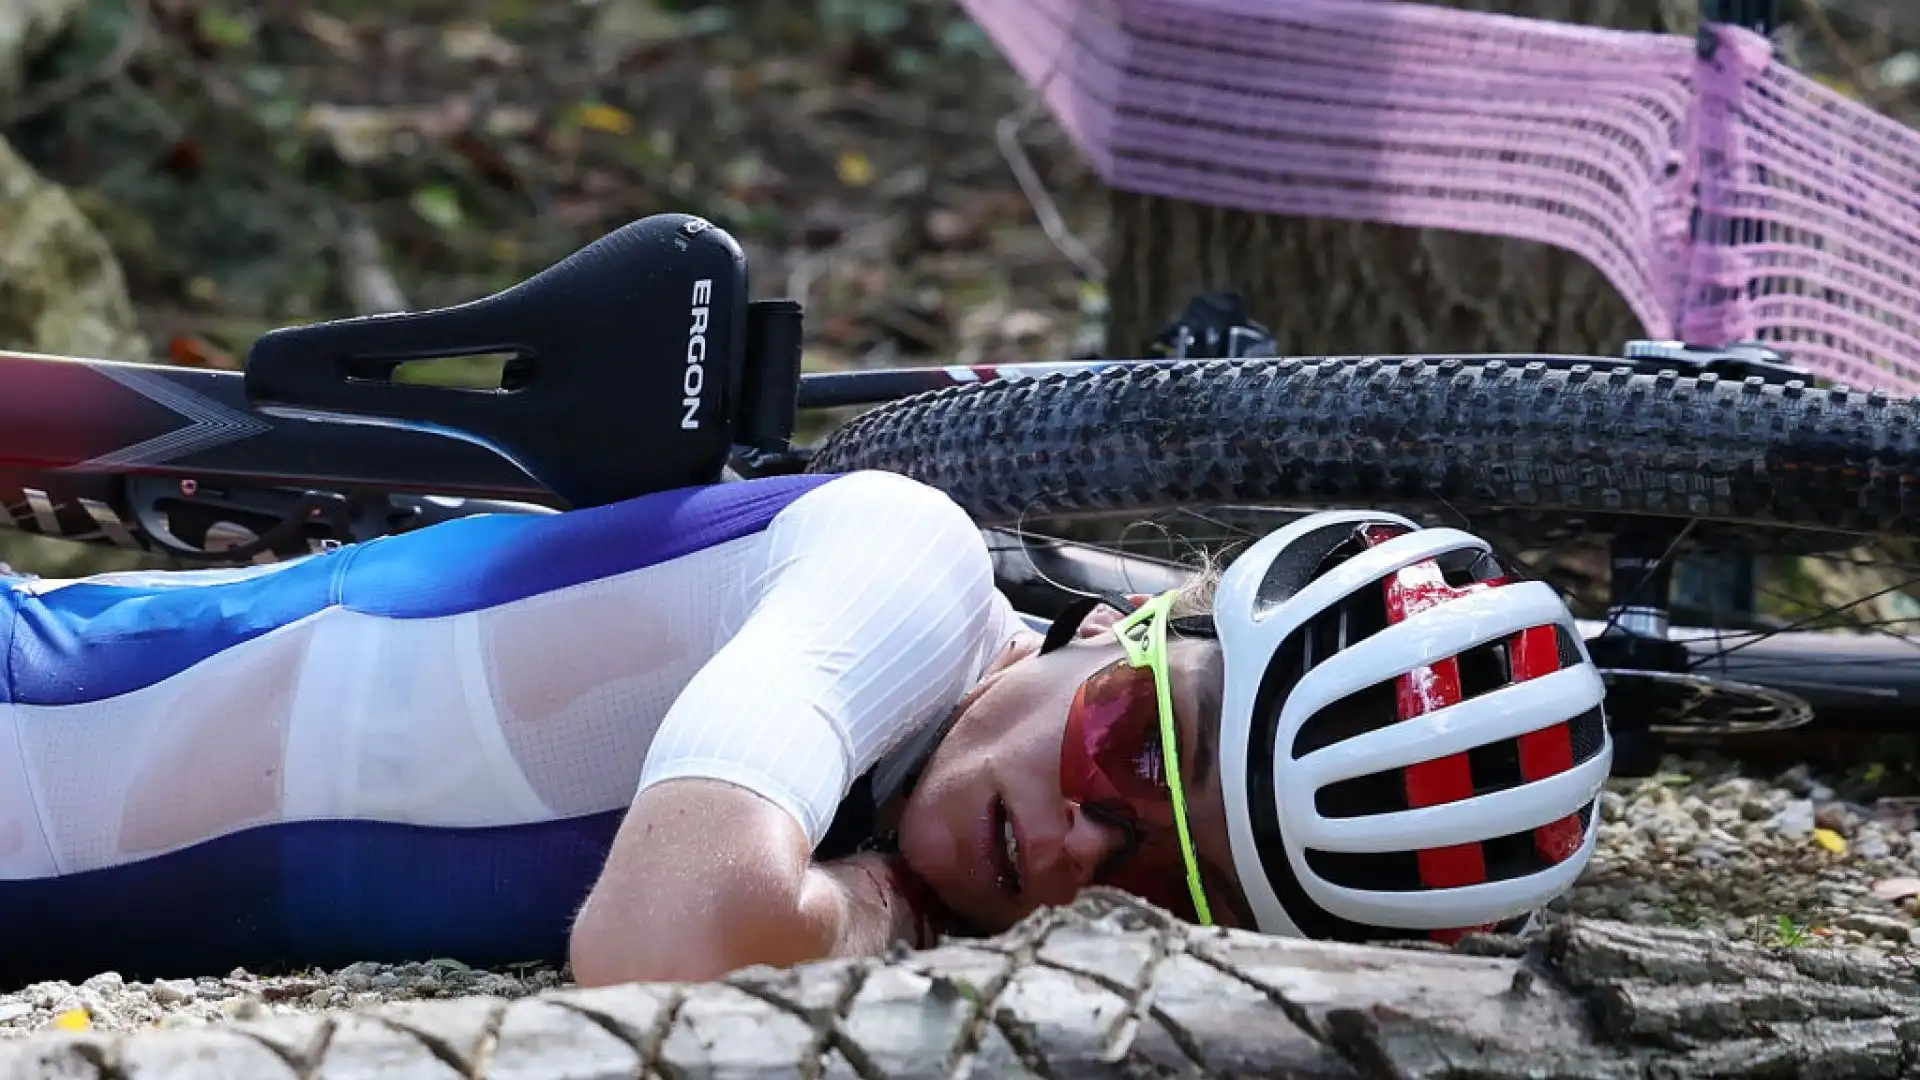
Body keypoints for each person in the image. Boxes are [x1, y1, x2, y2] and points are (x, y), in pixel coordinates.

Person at [0, 469, 1610, 986]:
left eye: (1153, 891)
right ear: (1140, 618)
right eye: (1132, 753)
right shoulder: (903, 567)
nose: (1070, 848)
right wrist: (881, 913)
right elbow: (665, 941)